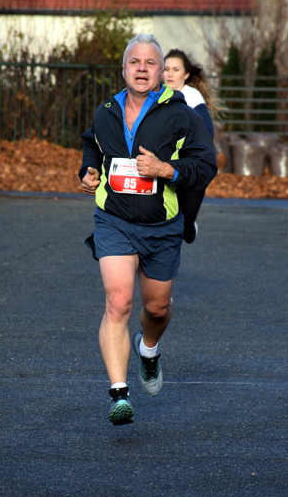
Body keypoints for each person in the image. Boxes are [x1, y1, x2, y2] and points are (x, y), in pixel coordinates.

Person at [79, 34, 217, 425]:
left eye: (150, 63)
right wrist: (88, 172)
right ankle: (119, 394)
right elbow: (92, 145)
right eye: (134, 62)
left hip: (161, 226)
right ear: (124, 70)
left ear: (161, 74)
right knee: (118, 302)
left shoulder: (180, 114)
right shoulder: (106, 110)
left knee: (155, 308)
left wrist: (165, 170)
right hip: (114, 220)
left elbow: (206, 167)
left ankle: (150, 350)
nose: (142, 68)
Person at [163, 49, 215, 243]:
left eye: (175, 69)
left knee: (183, 229)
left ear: (185, 74)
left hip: (192, 169)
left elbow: (207, 135)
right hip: (165, 166)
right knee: (166, 225)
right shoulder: (155, 95)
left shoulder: (192, 97)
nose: (169, 73)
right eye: (166, 69)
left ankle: (189, 228)